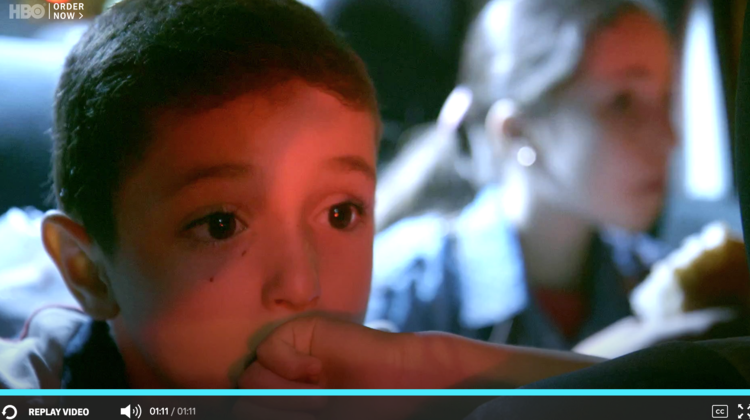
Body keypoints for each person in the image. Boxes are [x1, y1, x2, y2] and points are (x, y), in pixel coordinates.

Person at [0, 0, 599, 394]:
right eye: (221, 225)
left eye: (341, 213)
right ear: (87, 269)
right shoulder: (34, 384)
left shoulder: (378, 376)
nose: (302, 284)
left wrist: (438, 365)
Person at [367, 0, 687, 350]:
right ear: (517, 132)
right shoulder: (403, 295)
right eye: (623, 103)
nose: (670, 138)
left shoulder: (658, 281)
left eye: (666, 100)